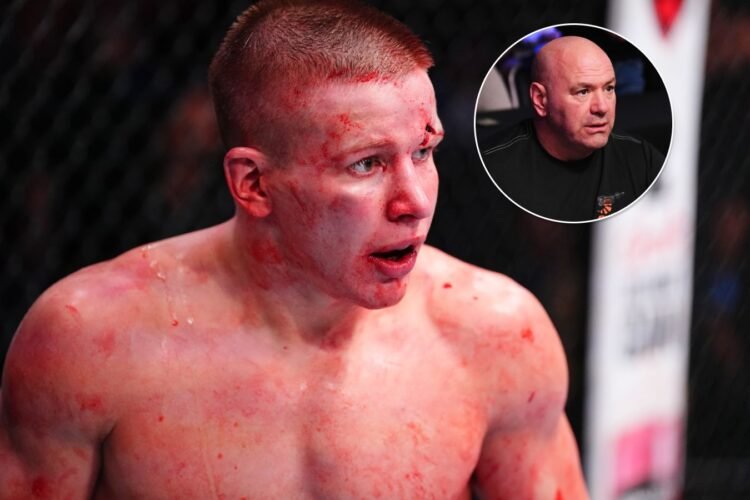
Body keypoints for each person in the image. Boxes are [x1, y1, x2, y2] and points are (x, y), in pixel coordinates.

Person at [0, 1, 589, 498]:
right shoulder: (90, 342)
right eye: (366, 164)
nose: (414, 202)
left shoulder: (495, 336)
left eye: (423, 151)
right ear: (254, 184)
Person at [481, 36, 665, 222]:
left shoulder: (641, 158)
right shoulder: (495, 168)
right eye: (583, 92)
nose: (602, 107)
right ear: (540, 100)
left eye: (609, 88)